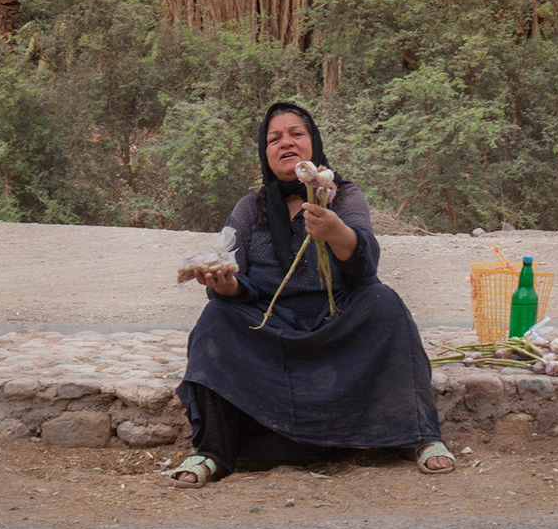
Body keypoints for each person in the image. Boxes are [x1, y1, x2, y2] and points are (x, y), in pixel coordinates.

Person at [171, 101, 454, 486]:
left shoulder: (342, 195)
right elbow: (239, 280)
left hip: (336, 324)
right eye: (275, 138)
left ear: (313, 144)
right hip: (271, 330)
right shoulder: (249, 208)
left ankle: (421, 436)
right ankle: (213, 451)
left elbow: (364, 267)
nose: (286, 143)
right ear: (264, 152)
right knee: (216, 319)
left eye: (296, 134)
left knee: (383, 303)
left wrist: (338, 233)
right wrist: (226, 283)